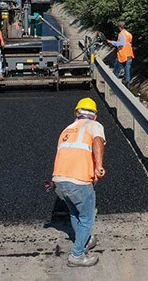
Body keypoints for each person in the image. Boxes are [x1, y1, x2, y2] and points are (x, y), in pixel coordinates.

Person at [51, 97, 106, 267]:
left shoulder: (67, 129)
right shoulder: (94, 125)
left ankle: (84, 241)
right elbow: (98, 141)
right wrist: (99, 166)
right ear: (94, 115)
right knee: (87, 218)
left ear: (77, 113)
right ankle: (77, 255)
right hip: (79, 180)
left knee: (75, 214)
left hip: (59, 180)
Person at [107, 21, 134, 86]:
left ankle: (114, 85)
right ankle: (127, 86)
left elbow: (120, 44)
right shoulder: (129, 34)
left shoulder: (121, 34)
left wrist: (111, 42)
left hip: (122, 56)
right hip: (129, 55)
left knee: (116, 71)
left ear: (119, 27)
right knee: (127, 72)